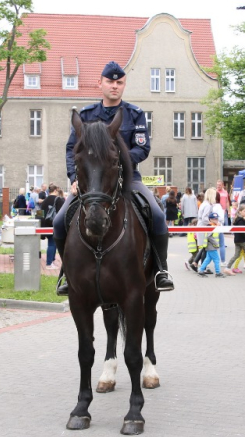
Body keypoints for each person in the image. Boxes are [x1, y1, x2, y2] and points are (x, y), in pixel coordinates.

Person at [53, 61, 174, 293]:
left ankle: (161, 270)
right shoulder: (86, 115)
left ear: (124, 85)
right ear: (100, 84)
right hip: (90, 183)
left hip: (130, 178)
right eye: (110, 81)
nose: (115, 86)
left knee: (157, 215)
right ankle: (67, 273)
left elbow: (143, 149)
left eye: (119, 82)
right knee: (59, 222)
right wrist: (73, 179)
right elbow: (72, 150)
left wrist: (117, 160)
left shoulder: (135, 115)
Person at [224, 204, 245, 276]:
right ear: (240, 211)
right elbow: (242, 231)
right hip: (242, 240)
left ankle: (227, 268)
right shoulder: (241, 220)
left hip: (237, 240)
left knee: (236, 255)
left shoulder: (236, 219)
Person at [40, 184, 65, 269]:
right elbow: (62, 213)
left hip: (44, 224)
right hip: (53, 224)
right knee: (52, 244)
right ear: (55, 191)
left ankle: (52, 260)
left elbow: (39, 213)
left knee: (52, 243)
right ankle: (49, 263)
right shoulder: (58, 200)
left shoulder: (44, 200)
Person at [197, 213, 225, 278]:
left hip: (210, 246)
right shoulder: (210, 226)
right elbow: (210, 237)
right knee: (217, 259)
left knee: (208, 259)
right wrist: (216, 244)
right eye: (214, 219)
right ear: (210, 219)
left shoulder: (213, 226)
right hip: (212, 246)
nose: (216, 220)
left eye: (216, 218)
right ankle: (218, 272)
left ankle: (201, 270)